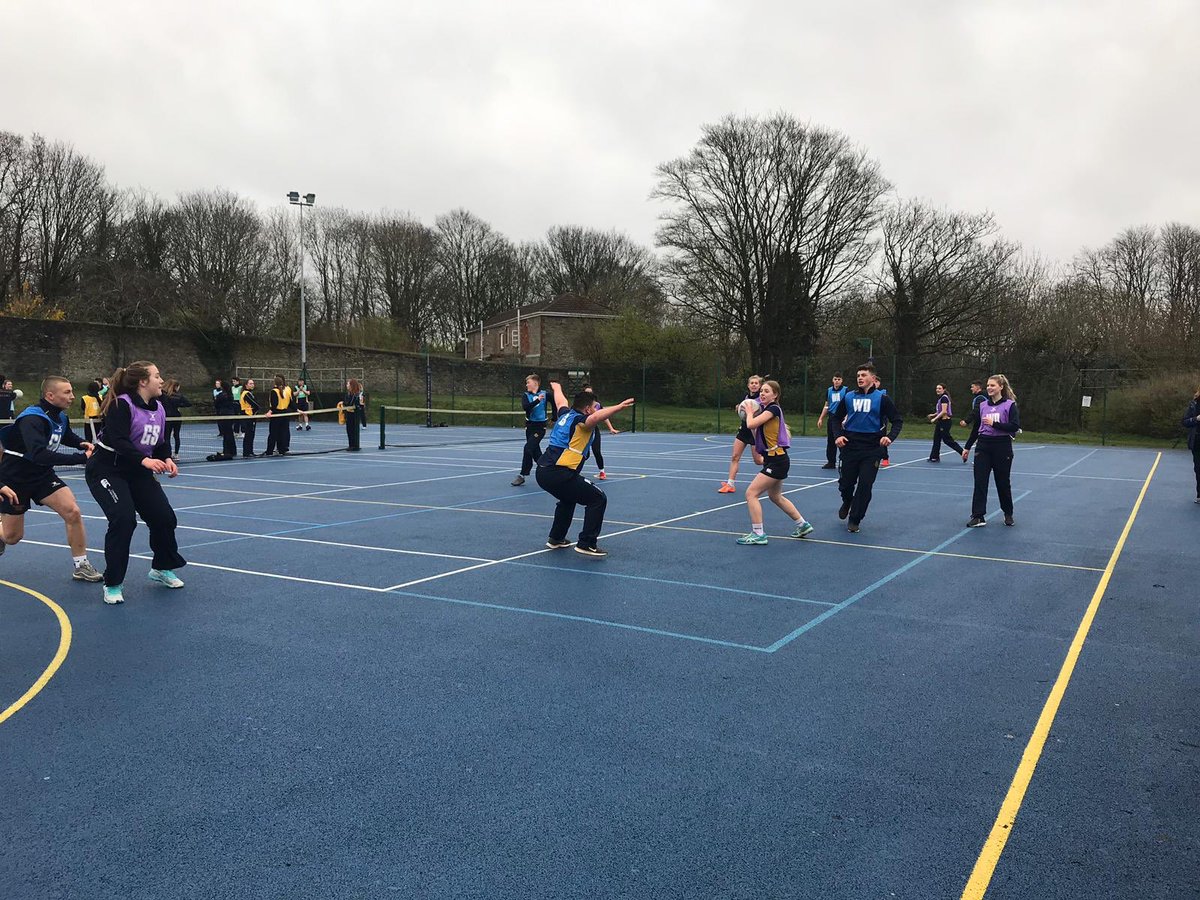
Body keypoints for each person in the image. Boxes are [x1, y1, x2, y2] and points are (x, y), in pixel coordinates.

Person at [86, 361, 185, 605]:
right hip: (108, 469)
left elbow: (160, 441)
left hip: (138, 471)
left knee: (164, 517)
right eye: (157, 376)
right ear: (143, 382)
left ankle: (161, 567)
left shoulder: (159, 407)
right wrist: (145, 460)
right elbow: (119, 440)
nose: (161, 380)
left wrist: (166, 458)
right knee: (123, 519)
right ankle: (113, 583)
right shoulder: (121, 405)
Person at [0, 376, 103, 581]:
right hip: (16, 478)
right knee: (12, 537)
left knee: (72, 511)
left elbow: (65, 435)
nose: (72, 396)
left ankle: (81, 565)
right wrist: (81, 458)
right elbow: (39, 454)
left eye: (71, 391)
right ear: (50, 395)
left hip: (43, 475)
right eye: (67, 392)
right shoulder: (32, 419)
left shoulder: (60, 417)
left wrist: (81, 443)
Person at [535, 382, 635, 558]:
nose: (598, 409)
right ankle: (586, 543)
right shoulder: (581, 421)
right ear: (588, 409)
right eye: (595, 407)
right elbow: (594, 419)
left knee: (568, 499)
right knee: (598, 498)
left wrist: (557, 388)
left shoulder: (565, 414)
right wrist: (619, 407)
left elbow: (560, 401)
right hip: (559, 473)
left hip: (543, 471)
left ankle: (556, 538)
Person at [734, 380, 813, 545]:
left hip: (777, 461)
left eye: (766, 391)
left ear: (775, 395)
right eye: (761, 391)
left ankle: (758, 533)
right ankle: (802, 525)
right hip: (774, 459)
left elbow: (751, 423)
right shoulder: (765, 410)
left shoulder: (773, 409)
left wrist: (749, 412)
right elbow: (754, 429)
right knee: (775, 496)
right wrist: (747, 412)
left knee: (751, 493)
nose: (762, 393)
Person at [833, 364, 904, 533]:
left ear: (873, 378)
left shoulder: (882, 399)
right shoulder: (849, 397)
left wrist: (890, 437)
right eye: (858, 375)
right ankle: (847, 500)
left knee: (865, 484)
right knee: (846, 484)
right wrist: (838, 436)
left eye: (864, 375)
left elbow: (897, 420)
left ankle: (855, 518)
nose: (860, 378)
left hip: (872, 448)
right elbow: (836, 419)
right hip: (850, 446)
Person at [964, 375, 1021, 527]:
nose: (989, 388)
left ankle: (1008, 513)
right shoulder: (983, 405)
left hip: (1002, 446)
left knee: (1002, 482)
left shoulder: (1009, 405)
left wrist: (995, 424)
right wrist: (967, 446)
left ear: (1001, 387)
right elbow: (977, 428)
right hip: (983, 445)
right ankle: (978, 516)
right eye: (988, 385)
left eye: (993, 385)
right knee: (980, 481)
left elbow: (1015, 426)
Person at [718, 374, 763, 493]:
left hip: (755, 431)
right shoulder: (746, 398)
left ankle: (773, 465)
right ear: (748, 385)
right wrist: (739, 408)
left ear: (760, 386)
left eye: (756, 383)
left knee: (758, 461)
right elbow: (743, 412)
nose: (754, 385)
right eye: (752, 383)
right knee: (735, 457)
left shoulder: (761, 400)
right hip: (744, 430)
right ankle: (730, 484)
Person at [511, 374, 548, 486]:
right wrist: (537, 401)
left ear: (535, 384)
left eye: (528, 383)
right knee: (535, 452)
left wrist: (555, 416)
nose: (526, 385)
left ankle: (522, 475)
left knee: (528, 448)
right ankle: (547, 469)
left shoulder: (545, 394)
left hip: (540, 428)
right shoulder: (526, 395)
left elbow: (555, 403)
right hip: (530, 427)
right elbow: (526, 407)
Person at [581, 382, 620, 480]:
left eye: (590, 393)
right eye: (587, 393)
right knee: (584, 454)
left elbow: (604, 416)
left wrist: (611, 428)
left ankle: (602, 472)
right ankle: (574, 470)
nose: (589, 395)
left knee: (597, 451)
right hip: (583, 431)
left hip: (594, 430)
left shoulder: (597, 405)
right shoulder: (580, 405)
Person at [815, 373, 847, 470]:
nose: (837, 381)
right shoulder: (829, 390)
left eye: (839, 379)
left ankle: (845, 461)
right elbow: (826, 405)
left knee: (841, 439)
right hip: (832, 417)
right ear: (832, 380)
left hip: (842, 417)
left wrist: (846, 417)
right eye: (835, 379)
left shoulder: (845, 390)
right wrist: (821, 418)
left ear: (841, 381)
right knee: (831, 440)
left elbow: (849, 405)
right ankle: (831, 462)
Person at [927, 383, 965, 463]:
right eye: (937, 388)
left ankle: (963, 453)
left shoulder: (944, 398)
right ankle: (934, 456)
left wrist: (935, 419)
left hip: (945, 422)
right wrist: (933, 415)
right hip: (940, 421)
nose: (937, 390)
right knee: (936, 439)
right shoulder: (941, 398)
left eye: (939, 388)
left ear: (944, 389)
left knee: (947, 440)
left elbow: (944, 411)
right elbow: (940, 411)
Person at [206, 379, 239, 461]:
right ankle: (233, 450)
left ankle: (227, 450)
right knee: (230, 433)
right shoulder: (230, 395)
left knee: (226, 434)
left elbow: (216, 404)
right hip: (230, 415)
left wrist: (217, 401)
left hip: (224, 415)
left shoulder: (221, 395)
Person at [160, 379, 192, 459]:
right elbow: (188, 403)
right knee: (176, 435)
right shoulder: (178, 396)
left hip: (168, 417)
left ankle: (168, 454)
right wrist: (178, 405)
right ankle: (176, 453)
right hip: (176, 417)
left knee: (167, 436)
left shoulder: (163, 394)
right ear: (175, 387)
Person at [264, 375, 294, 456]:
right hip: (285, 414)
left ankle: (269, 451)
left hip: (276, 414)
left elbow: (274, 404)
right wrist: (297, 410)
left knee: (273, 434)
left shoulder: (274, 391)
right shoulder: (287, 390)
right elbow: (291, 403)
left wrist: (269, 412)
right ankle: (282, 450)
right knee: (282, 433)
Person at [1183, 386, 1200, 503]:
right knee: (1198, 469)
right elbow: (1184, 421)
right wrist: (1196, 419)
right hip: (1197, 442)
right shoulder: (1194, 404)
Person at [339, 378, 365, 451]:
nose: (347, 385)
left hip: (353, 414)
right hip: (349, 414)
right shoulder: (349, 394)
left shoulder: (355, 394)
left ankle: (354, 445)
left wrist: (343, 403)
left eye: (348, 384)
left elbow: (349, 403)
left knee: (352, 430)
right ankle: (352, 445)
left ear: (351, 385)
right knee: (350, 430)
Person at [239, 378, 261, 458]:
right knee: (249, 435)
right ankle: (247, 452)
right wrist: (257, 408)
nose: (252, 385)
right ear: (246, 385)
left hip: (251, 416)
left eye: (253, 383)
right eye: (250, 383)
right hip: (248, 416)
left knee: (251, 435)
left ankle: (250, 451)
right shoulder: (246, 394)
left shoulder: (249, 393)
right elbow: (255, 404)